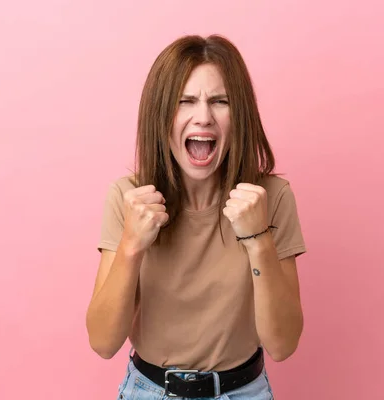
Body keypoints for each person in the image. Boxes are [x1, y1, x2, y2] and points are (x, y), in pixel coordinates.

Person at [86, 34, 306, 400]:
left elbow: (282, 345)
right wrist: (131, 245)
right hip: (149, 391)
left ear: (240, 114)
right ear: (161, 115)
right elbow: (103, 342)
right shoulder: (127, 197)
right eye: (185, 101)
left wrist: (258, 238)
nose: (203, 117)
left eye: (220, 101)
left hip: (244, 391)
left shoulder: (271, 198)